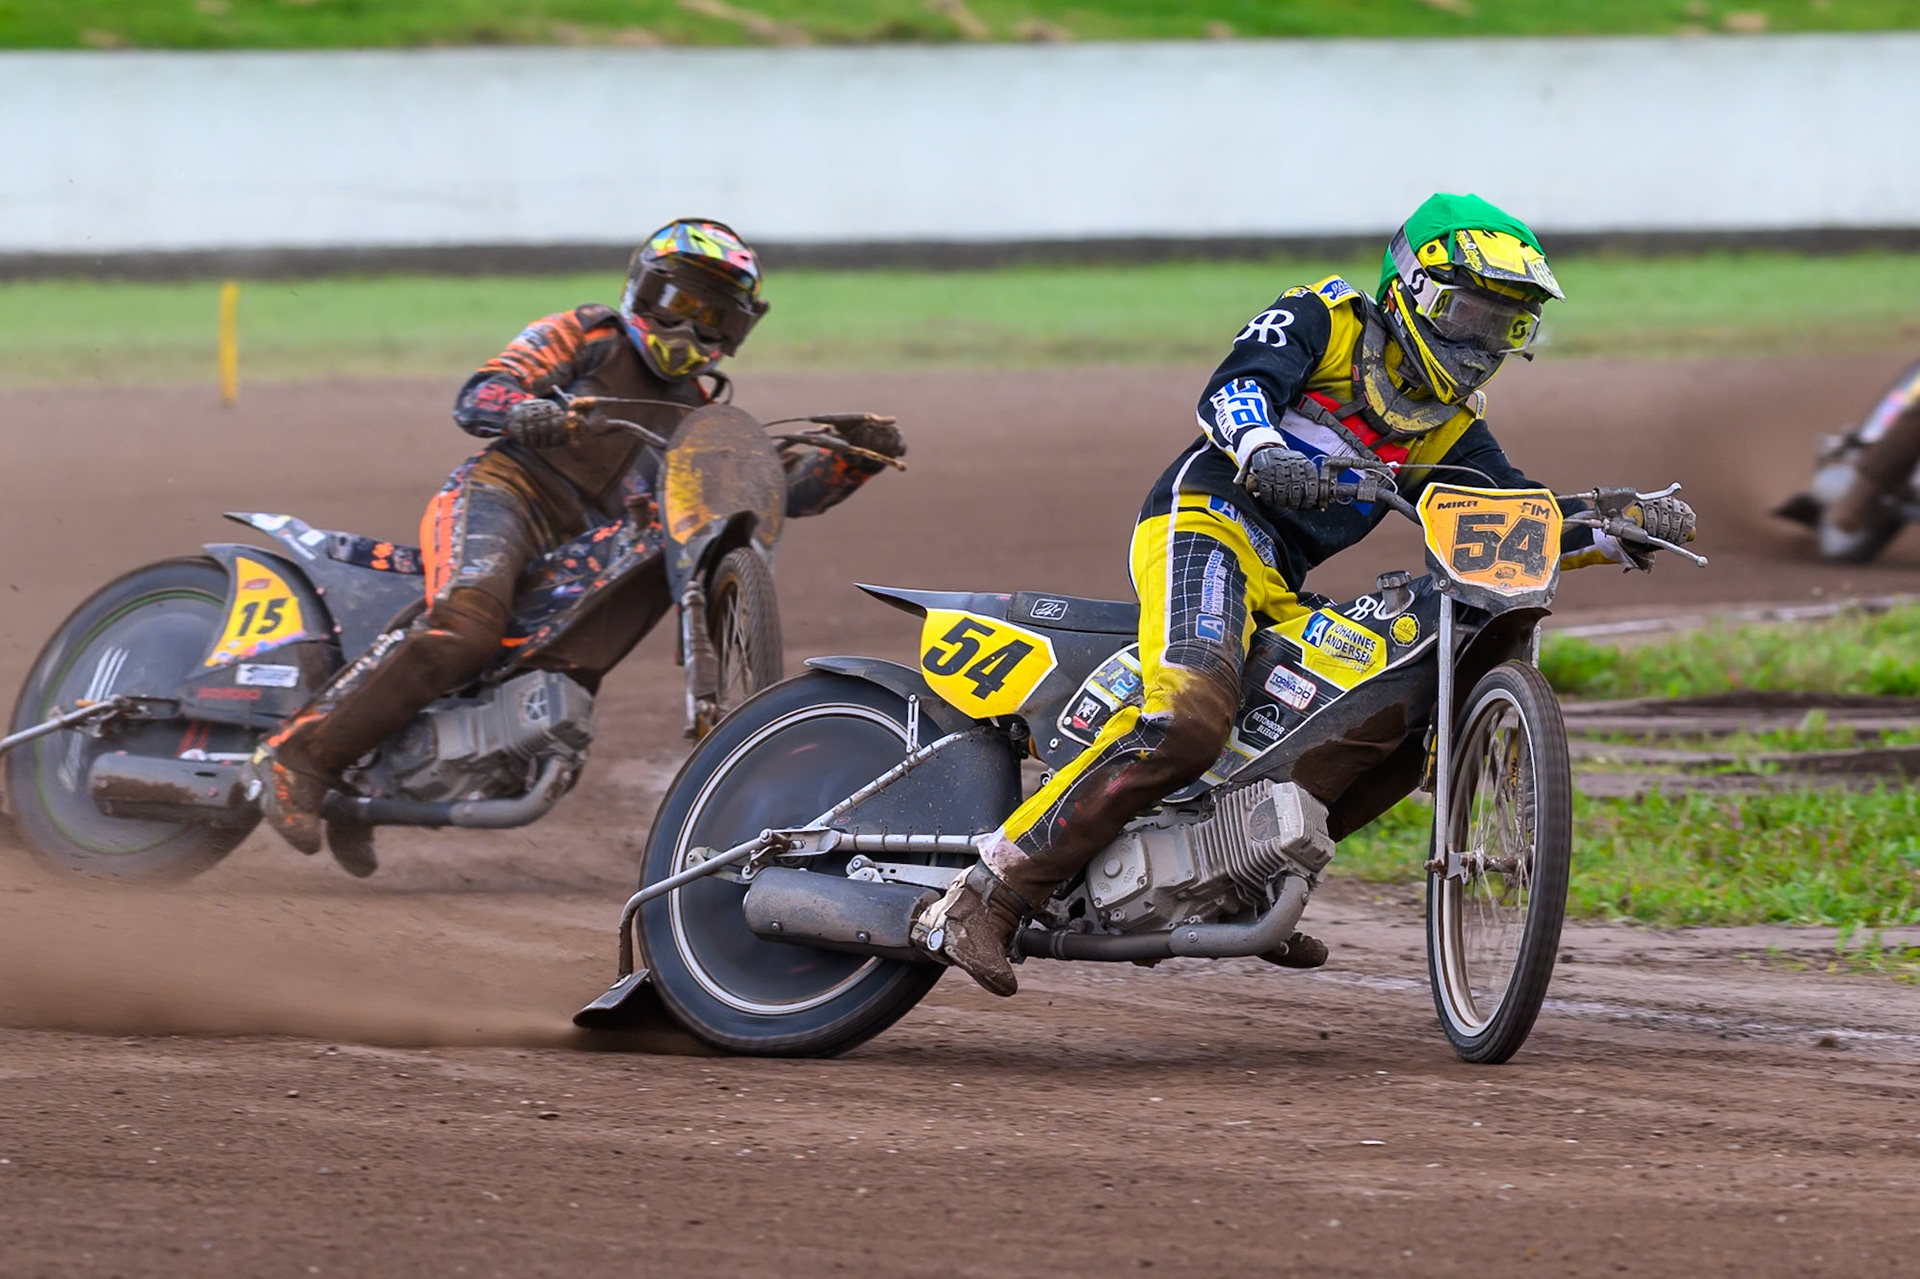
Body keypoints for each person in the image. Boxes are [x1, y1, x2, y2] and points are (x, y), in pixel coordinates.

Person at [913, 192, 1695, 996]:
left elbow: (1506, 514)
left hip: (1280, 580)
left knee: (1394, 735)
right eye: (1468, 315)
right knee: (1188, 720)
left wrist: (1616, 525)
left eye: (1505, 326)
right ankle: (987, 895)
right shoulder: (1326, 317)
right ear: (1414, 290)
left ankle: (1244, 875)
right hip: (1205, 523)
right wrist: (1262, 447)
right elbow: (1233, 388)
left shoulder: (1450, 424)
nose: (1480, 344)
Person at [256, 218, 904, 871]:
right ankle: (299, 758)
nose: (687, 331)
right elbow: (481, 393)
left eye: (712, 318)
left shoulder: (700, 415)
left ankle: (365, 787)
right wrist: (525, 411)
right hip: (507, 495)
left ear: (735, 332)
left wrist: (853, 460)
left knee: (556, 678)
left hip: (587, 549)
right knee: (466, 628)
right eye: (677, 304)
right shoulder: (588, 335)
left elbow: (771, 495)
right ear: (642, 290)